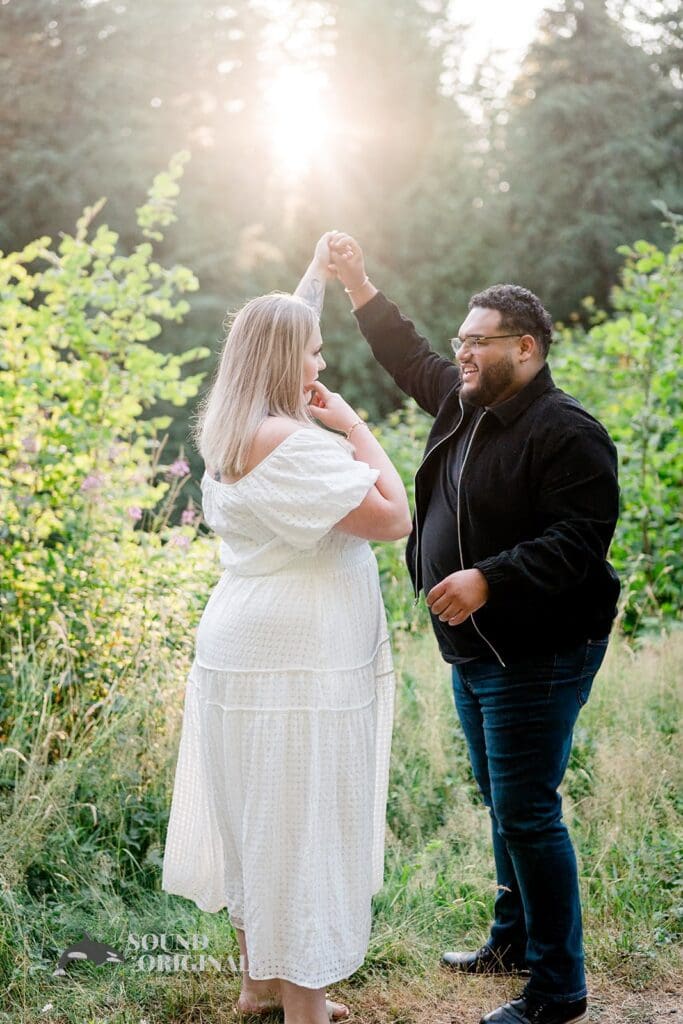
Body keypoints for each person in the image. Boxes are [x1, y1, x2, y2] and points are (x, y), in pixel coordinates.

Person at [327, 232, 620, 1024]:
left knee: (526, 809)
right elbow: (405, 353)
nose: (458, 353)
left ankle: (558, 988)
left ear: (524, 348)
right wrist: (357, 281)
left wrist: (489, 577)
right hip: (475, 649)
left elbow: (578, 540)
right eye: (459, 340)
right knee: (503, 800)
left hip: (541, 650)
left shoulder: (568, 432)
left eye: (475, 342)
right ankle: (511, 941)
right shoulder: (465, 400)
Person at [161, 234, 411, 1024]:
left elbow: (283, 323)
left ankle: (255, 982)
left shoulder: (232, 429)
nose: (322, 369)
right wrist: (357, 427)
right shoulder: (294, 445)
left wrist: (318, 272)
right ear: (281, 364)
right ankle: (304, 1004)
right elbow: (393, 518)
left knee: (254, 813)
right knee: (300, 820)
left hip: (243, 649)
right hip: (296, 662)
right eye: (313, 356)